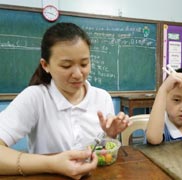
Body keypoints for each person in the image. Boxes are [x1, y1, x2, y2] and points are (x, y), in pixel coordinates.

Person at [0, 22, 131, 179]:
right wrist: (52, 164)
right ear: (46, 65)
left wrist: (111, 135)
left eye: (84, 63)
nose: (78, 74)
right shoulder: (35, 98)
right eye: (66, 66)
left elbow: (104, 150)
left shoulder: (102, 97)